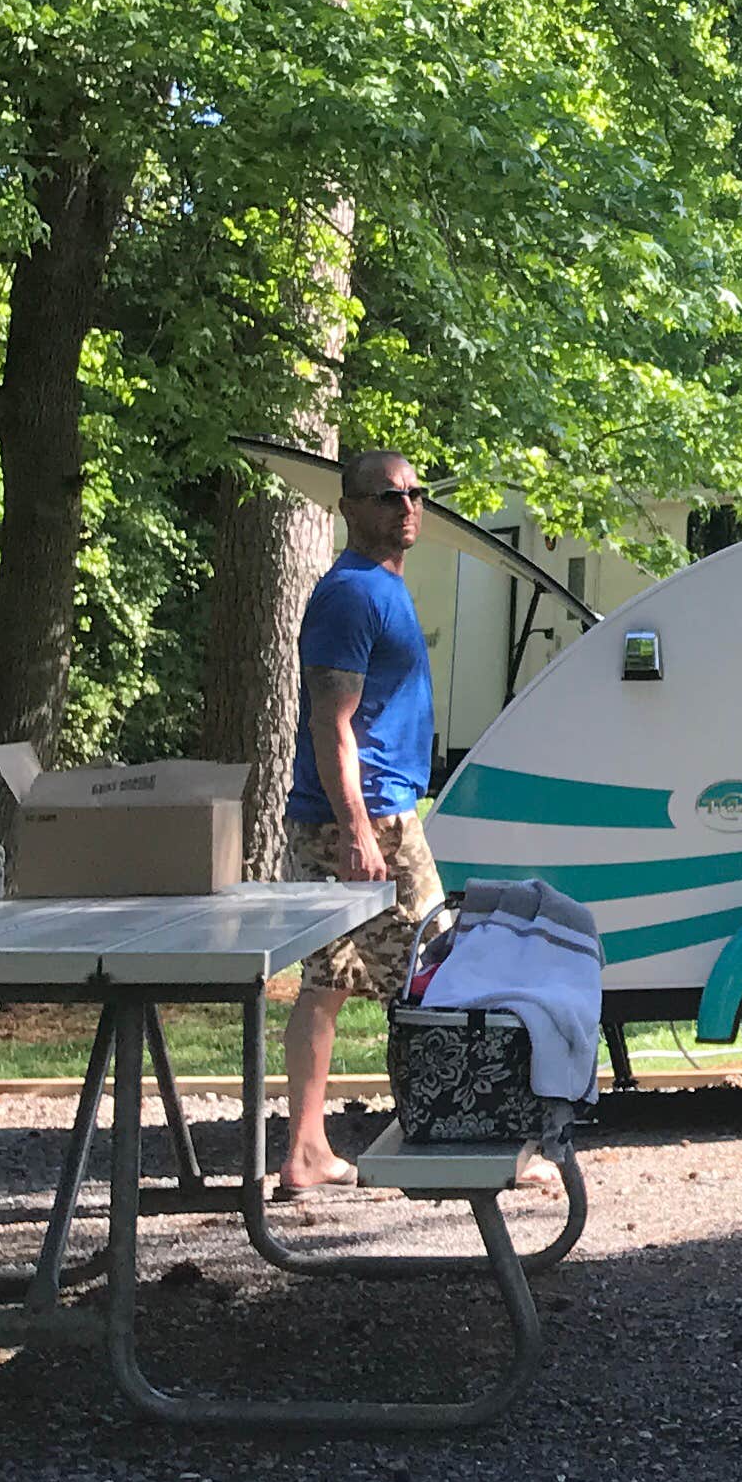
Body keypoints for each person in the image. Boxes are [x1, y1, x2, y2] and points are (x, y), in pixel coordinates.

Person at [276, 449, 443, 1193]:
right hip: (365, 819)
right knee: (438, 971)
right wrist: (356, 830)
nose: (406, 507)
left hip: (369, 813)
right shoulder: (349, 595)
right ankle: (452, 1135)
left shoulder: (383, 588)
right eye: (388, 496)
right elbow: (329, 724)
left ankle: (306, 1152)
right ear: (350, 507)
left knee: (330, 981)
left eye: (416, 494)